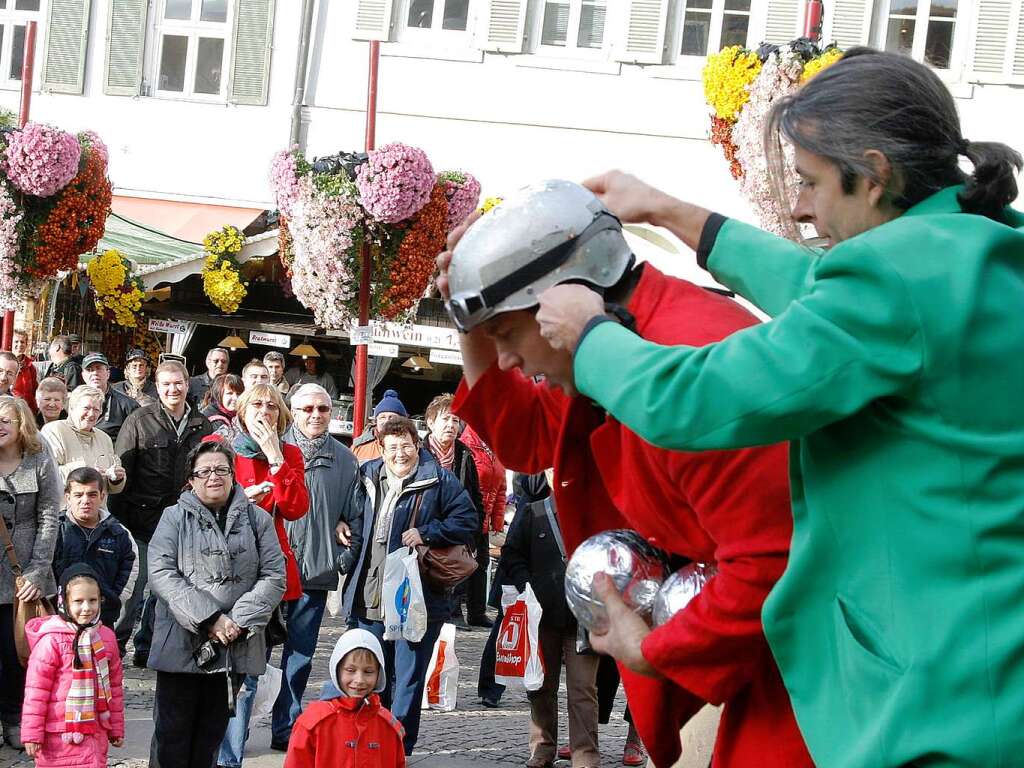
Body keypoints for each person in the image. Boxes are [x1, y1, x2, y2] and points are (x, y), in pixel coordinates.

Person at [531, 49, 1024, 768]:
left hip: (928, 700)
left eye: (810, 181)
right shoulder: (982, 247)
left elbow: (696, 401)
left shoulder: (892, 279)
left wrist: (592, 337)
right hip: (994, 675)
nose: (798, 205)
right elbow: (823, 291)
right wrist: (672, 214)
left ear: (877, 172)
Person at [439, 181, 806, 767]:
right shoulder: (608, 339)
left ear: (559, 304)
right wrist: (470, 310)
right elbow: (527, 439)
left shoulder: (689, 350)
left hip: (785, 674)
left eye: (507, 335)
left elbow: (775, 565)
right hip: (731, 656)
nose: (505, 360)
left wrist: (657, 650)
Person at [147, 441, 286, 768]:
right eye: (205, 471)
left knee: (210, 736)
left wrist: (235, 620)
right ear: (191, 480)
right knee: (171, 736)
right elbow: (161, 572)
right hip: (180, 643)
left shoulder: (258, 520)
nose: (214, 477)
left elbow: (274, 575)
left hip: (233, 644)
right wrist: (210, 618)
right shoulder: (173, 517)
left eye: (221, 470)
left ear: (233, 475)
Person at [342, 416, 476, 755]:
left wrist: (428, 531)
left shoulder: (439, 480)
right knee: (369, 674)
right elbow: (349, 512)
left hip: (416, 600)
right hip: (368, 595)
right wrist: (340, 522)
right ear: (382, 448)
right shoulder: (367, 475)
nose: (399, 453)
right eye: (392, 447)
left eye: (406, 446)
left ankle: (398, 748)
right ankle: (368, 744)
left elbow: (467, 519)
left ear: (417, 445)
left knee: (408, 679)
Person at [218, 382, 309, 768]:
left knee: (250, 671)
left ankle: (229, 759)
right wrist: (242, 500)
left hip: (267, 576)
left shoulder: (289, 453)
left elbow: (296, 507)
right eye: (257, 404)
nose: (265, 412)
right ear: (241, 410)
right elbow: (197, 499)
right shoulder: (220, 447)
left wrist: (276, 458)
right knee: (215, 668)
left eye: (273, 406)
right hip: (221, 572)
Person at [270, 383, 360, 750]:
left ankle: (284, 729)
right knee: (253, 658)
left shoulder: (345, 459)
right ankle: (234, 732)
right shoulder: (272, 447)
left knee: (300, 657)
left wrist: (339, 558)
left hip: (314, 575)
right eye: (307, 409)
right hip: (270, 572)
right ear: (293, 410)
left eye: (322, 409)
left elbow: (353, 519)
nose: (316, 415)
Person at [112, 360, 214, 667]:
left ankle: (147, 649)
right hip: (140, 520)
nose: (173, 389)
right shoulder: (140, 420)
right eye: (166, 384)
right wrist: (119, 523)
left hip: (182, 524)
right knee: (132, 592)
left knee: (165, 593)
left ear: (187, 385)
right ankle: (115, 648)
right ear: (158, 386)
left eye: (178, 383)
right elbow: (122, 472)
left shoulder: (201, 424)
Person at [502, 470, 600, 768]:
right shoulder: (533, 512)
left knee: (583, 689)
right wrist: (527, 585)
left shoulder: (598, 514)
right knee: (541, 685)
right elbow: (511, 553)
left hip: (586, 616)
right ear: (546, 474)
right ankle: (543, 747)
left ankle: (585, 755)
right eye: (555, 469)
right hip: (543, 615)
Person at [0, 395, 62, 750]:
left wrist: (40, 570)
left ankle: (14, 717)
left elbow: (49, 515)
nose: (1, 425)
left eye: (7, 419)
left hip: (24, 574)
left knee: (18, 654)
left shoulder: (39, 459)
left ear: (22, 423)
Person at [21, 565, 125, 767]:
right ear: (64, 603)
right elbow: (36, 692)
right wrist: (32, 734)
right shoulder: (51, 641)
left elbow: (114, 688)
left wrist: (115, 728)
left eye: (93, 600)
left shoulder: (106, 638)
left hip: (95, 733)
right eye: (78, 601)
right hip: (59, 736)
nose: (86, 608)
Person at [283, 629, 405, 768]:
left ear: (379, 674)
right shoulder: (313, 723)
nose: (359, 680)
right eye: (350, 670)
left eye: (368, 672)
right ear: (337, 669)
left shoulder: (388, 726)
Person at [478, 474, 544, 710]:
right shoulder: (534, 488)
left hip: (545, 565)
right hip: (521, 566)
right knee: (507, 626)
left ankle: (536, 686)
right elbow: (530, 483)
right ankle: (491, 688)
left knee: (538, 631)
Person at [423, 394, 486, 628]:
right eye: (446, 419)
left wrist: (476, 531)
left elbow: (475, 496)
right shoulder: (419, 452)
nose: (451, 425)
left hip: (456, 527)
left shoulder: (465, 454)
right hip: (426, 527)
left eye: (456, 420)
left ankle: (452, 613)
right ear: (430, 422)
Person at [52, 468, 136, 632]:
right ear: (67, 497)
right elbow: (45, 570)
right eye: (78, 495)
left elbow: (129, 571)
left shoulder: (119, 533)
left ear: (102, 496)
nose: (85, 500)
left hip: (102, 621)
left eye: (92, 494)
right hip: (59, 621)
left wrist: (110, 601)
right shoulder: (55, 530)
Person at [40, 385, 127, 495]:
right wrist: (85, 470)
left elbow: (113, 489)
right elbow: (46, 474)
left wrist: (116, 479)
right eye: (86, 408)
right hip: (64, 509)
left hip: (98, 509)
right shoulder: (54, 431)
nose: (91, 414)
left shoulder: (104, 438)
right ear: (72, 408)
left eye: (96, 409)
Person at [80, 353, 139, 443]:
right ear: (83, 375)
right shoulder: (74, 402)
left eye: (99, 369)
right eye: (89, 370)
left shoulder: (127, 405)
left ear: (108, 373)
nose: (95, 373)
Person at [351, 389, 408, 464]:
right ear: (376, 421)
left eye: (392, 417)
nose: (387, 421)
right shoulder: (358, 447)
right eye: (382, 417)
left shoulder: (412, 446)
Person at [201, 373, 244, 441]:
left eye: (238, 393)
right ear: (219, 395)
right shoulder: (215, 421)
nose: (235, 398)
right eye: (230, 393)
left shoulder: (238, 415)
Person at [11, 330, 38, 412]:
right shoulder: (2, 363)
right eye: (16, 342)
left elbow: (34, 391)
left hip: (26, 410)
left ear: (26, 345)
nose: (19, 345)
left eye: (22, 342)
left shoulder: (31, 367)